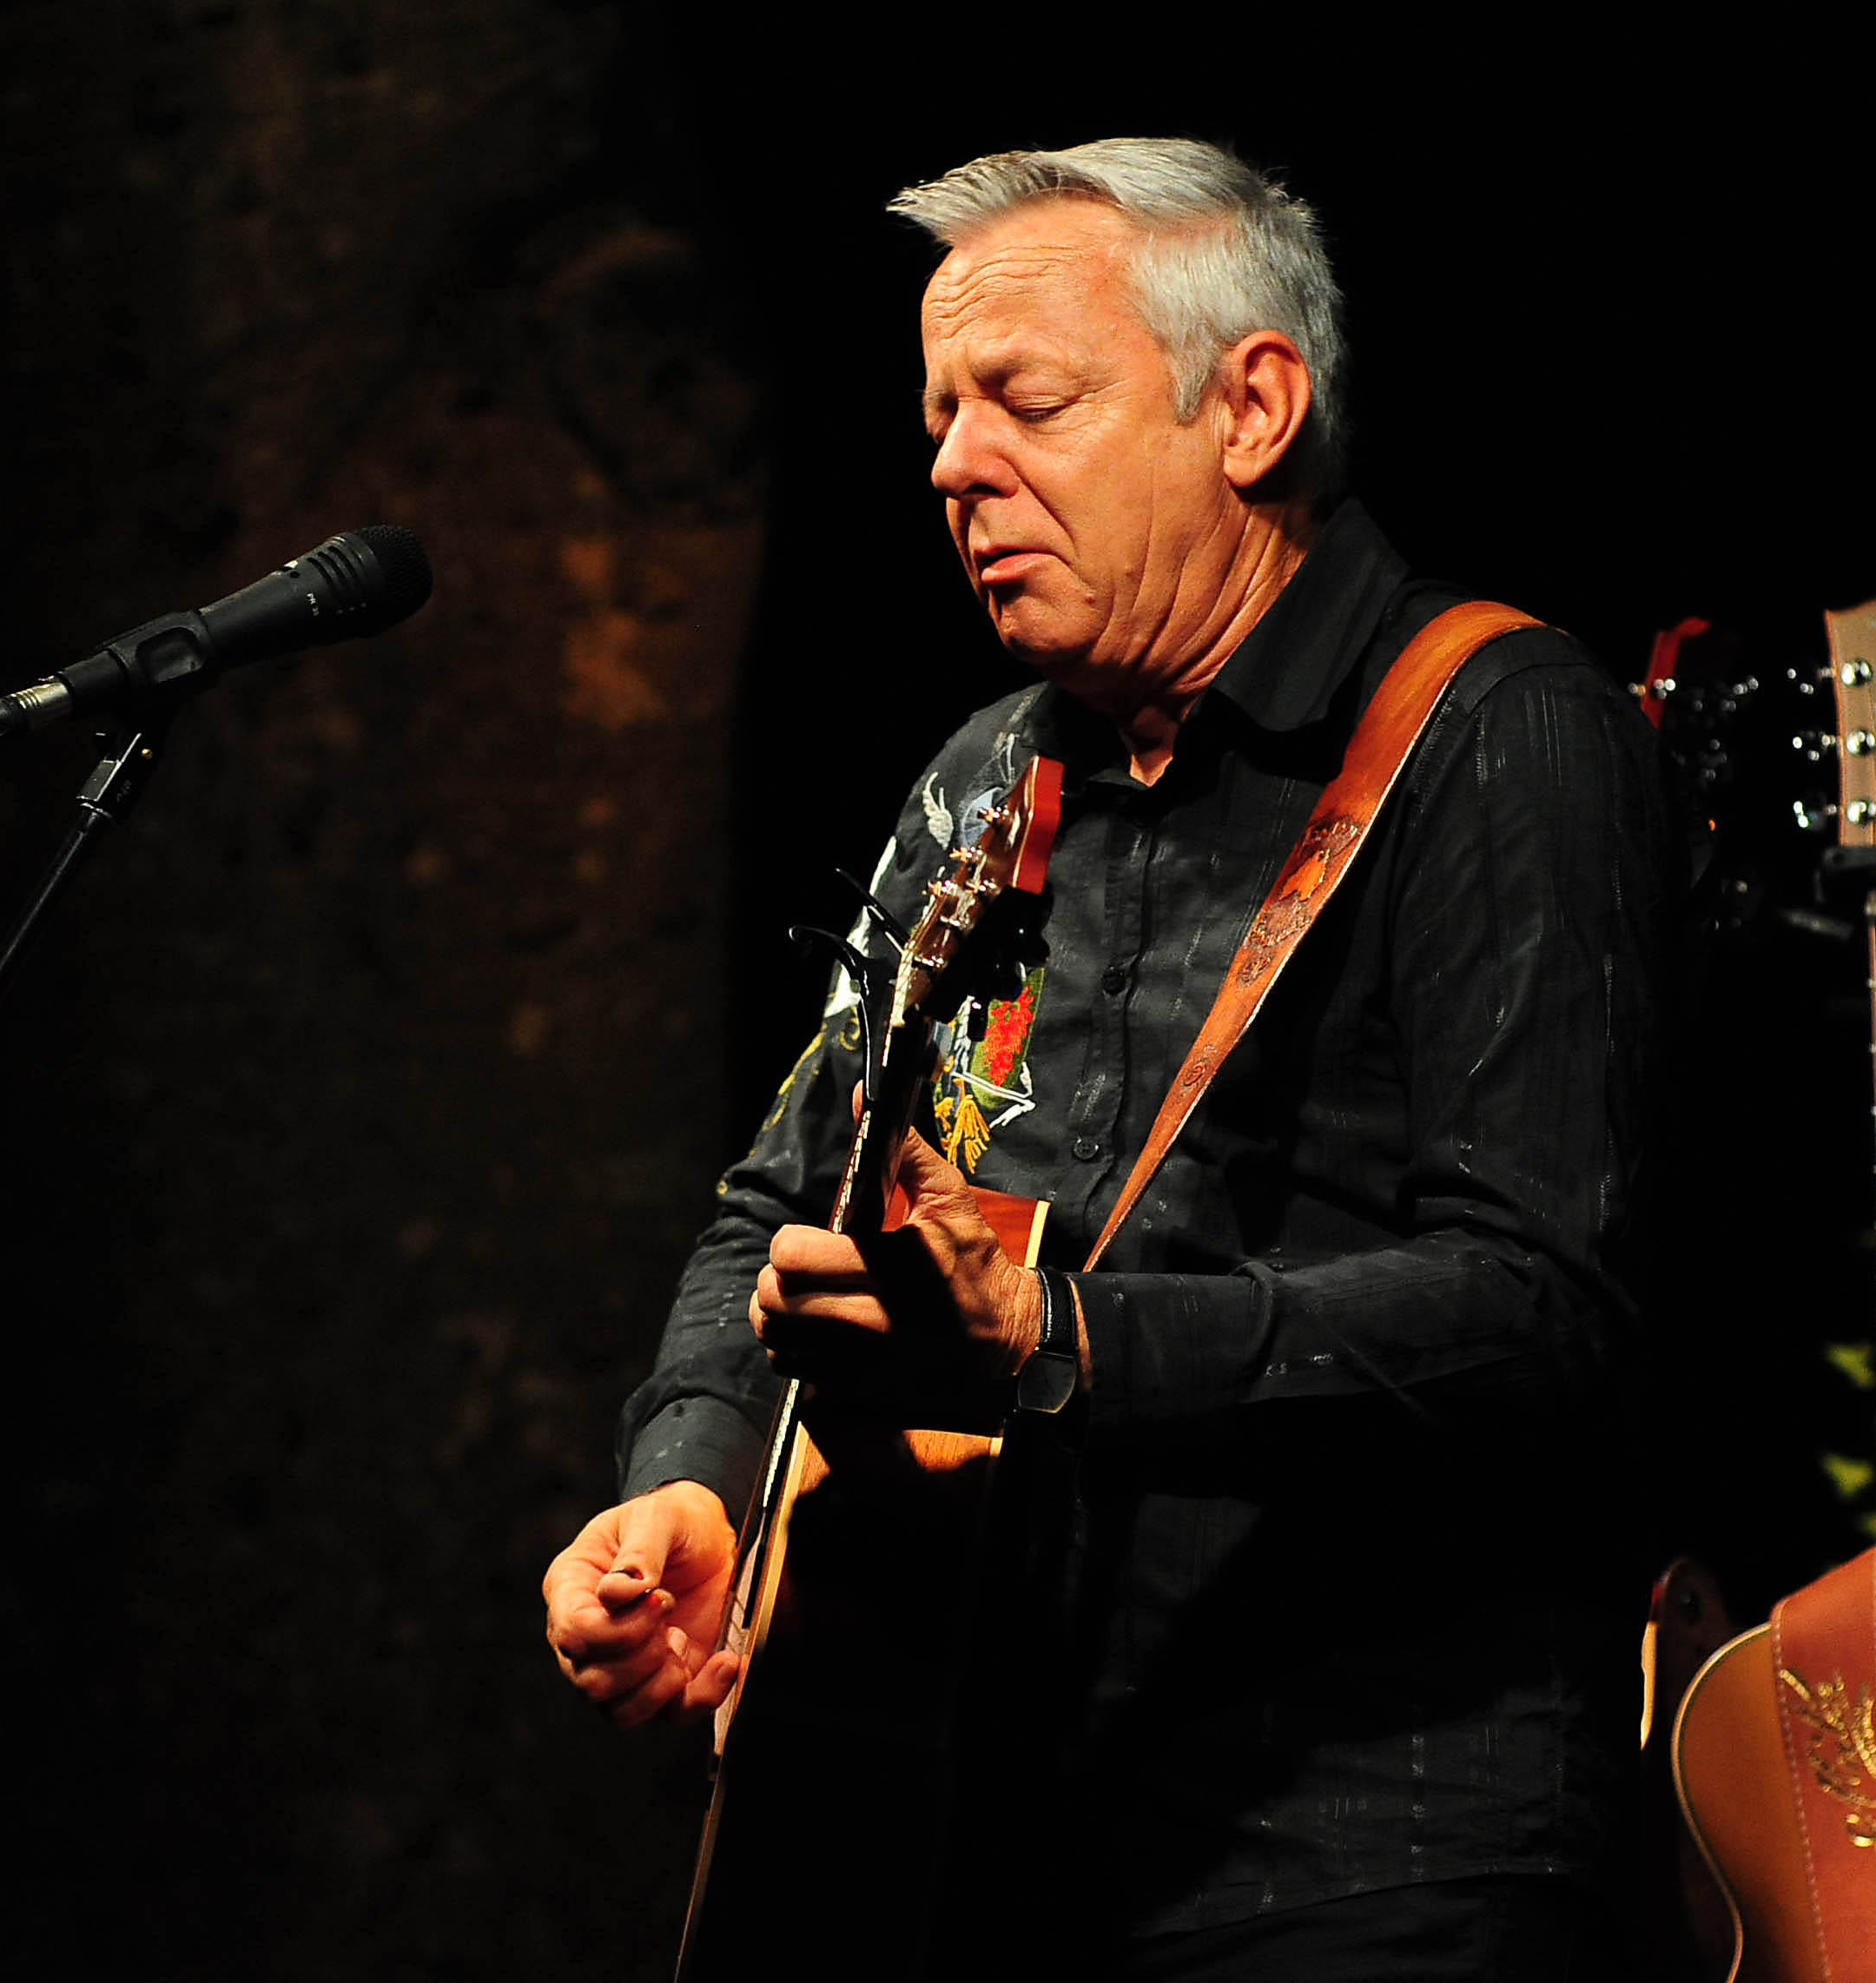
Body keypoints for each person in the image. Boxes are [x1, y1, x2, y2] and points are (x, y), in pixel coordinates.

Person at [541, 137, 1666, 1976]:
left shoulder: (1500, 731)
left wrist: (1060, 1339)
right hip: (969, 1834)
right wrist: (694, 1471)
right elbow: (777, 1203)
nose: (951, 463)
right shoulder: (988, 775)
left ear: (1252, 410)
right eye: (938, 414)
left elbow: (1541, 1309)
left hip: (1366, 1858)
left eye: (1027, 401)